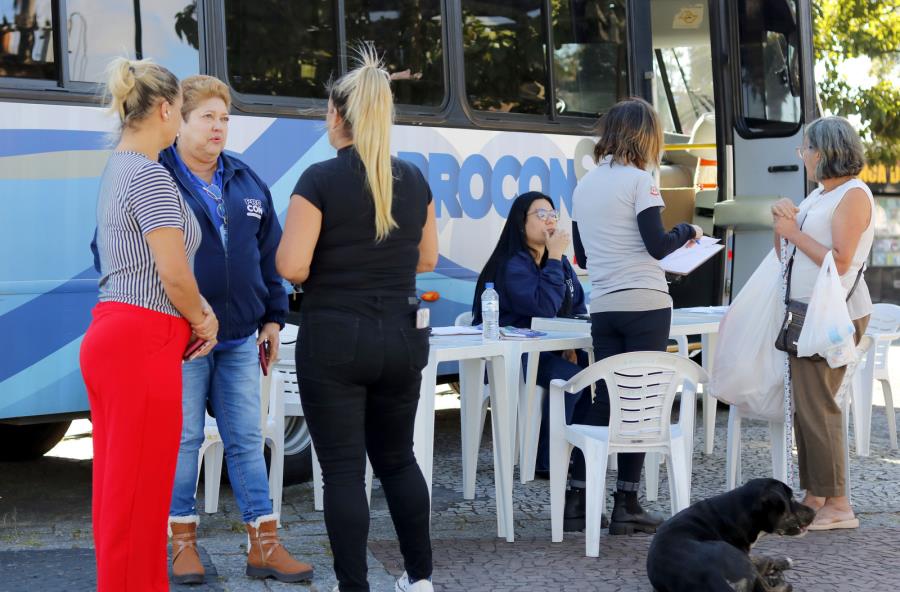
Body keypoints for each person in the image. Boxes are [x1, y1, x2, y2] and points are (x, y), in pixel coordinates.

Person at [276, 47, 438, 592]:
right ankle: (419, 581)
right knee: (398, 460)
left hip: (335, 338)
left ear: (338, 117)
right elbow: (427, 259)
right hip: (401, 334)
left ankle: (355, 588)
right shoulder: (412, 179)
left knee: (343, 472)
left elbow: (292, 265)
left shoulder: (319, 179)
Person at [158, 75, 312, 584]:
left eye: (225, 118)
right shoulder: (157, 178)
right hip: (182, 339)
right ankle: (182, 544)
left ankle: (263, 545)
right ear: (180, 120)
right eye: (207, 117)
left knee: (246, 439)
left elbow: (269, 257)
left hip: (242, 335)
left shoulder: (246, 180)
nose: (219, 127)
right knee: (184, 440)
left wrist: (274, 316)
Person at [80, 58, 217, 592]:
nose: (181, 124)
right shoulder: (152, 176)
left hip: (119, 334)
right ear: (165, 110)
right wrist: (204, 319)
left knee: (121, 496)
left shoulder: (119, 166)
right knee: (140, 496)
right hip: (141, 339)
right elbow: (174, 274)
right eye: (182, 113)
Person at [571, 97, 702, 535]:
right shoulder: (640, 181)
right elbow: (658, 246)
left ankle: (576, 494)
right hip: (646, 304)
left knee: (605, 398)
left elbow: (583, 255)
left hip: (604, 305)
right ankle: (626, 502)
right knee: (640, 403)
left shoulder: (583, 186)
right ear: (646, 136)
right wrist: (690, 231)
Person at [770, 116, 874, 531]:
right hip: (808, 310)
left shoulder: (852, 195)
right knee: (807, 409)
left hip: (833, 314)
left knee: (820, 408)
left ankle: (839, 504)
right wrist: (782, 224)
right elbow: (788, 254)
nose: (804, 157)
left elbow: (841, 260)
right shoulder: (819, 194)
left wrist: (792, 232)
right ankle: (816, 495)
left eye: (806, 148)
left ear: (826, 151)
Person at [471, 192, 591, 515]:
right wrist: (554, 258)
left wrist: (569, 344)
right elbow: (542, 307)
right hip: (512, 357)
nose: (550, 220)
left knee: (593, 375)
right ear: (521, 223)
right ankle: (548, 461)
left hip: (549, 351)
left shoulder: (559, 261)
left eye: (553, 213)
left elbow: (576, 306)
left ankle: (581, 461)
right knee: (572, 379)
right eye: (541, 214)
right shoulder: (514, 263)